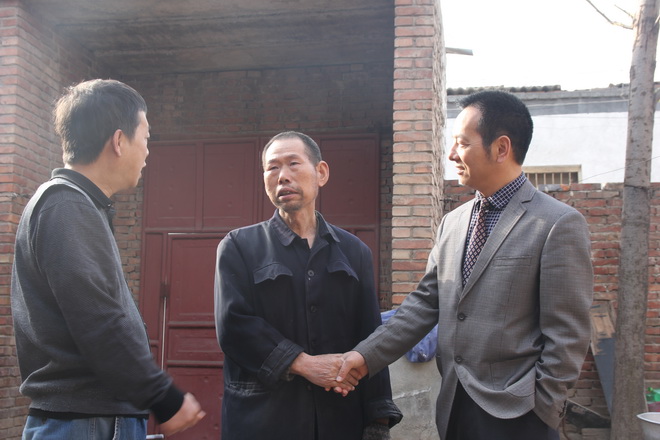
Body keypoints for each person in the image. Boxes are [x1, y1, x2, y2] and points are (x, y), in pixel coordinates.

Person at [337, 91, 593, 440]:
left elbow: (568, 334)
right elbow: (423, 305)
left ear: (501, 148)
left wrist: (542, 408)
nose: (451, 154)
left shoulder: (556, 223)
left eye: (462, 143)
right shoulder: (453, 223)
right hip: (454, 405)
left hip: (520, 413)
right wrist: (364, 357)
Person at [11, 79, 205, 439]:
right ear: (118, 141)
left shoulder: (76, 205)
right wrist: (163, 397)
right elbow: (98, 318)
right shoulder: (66, 205)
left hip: (89, 420)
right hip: (86, 422)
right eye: (145, 138)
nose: (147, 152)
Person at [214, 131, 402, 440]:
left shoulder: (354, 252)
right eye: (272, 167)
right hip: (262, 421)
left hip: (339, 420)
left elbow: (371, 338)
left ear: (321, 173)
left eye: (293, 163)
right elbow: (233, 326)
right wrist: (301, 363)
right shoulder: (239, 246)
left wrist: (378, 420)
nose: (282, 176)